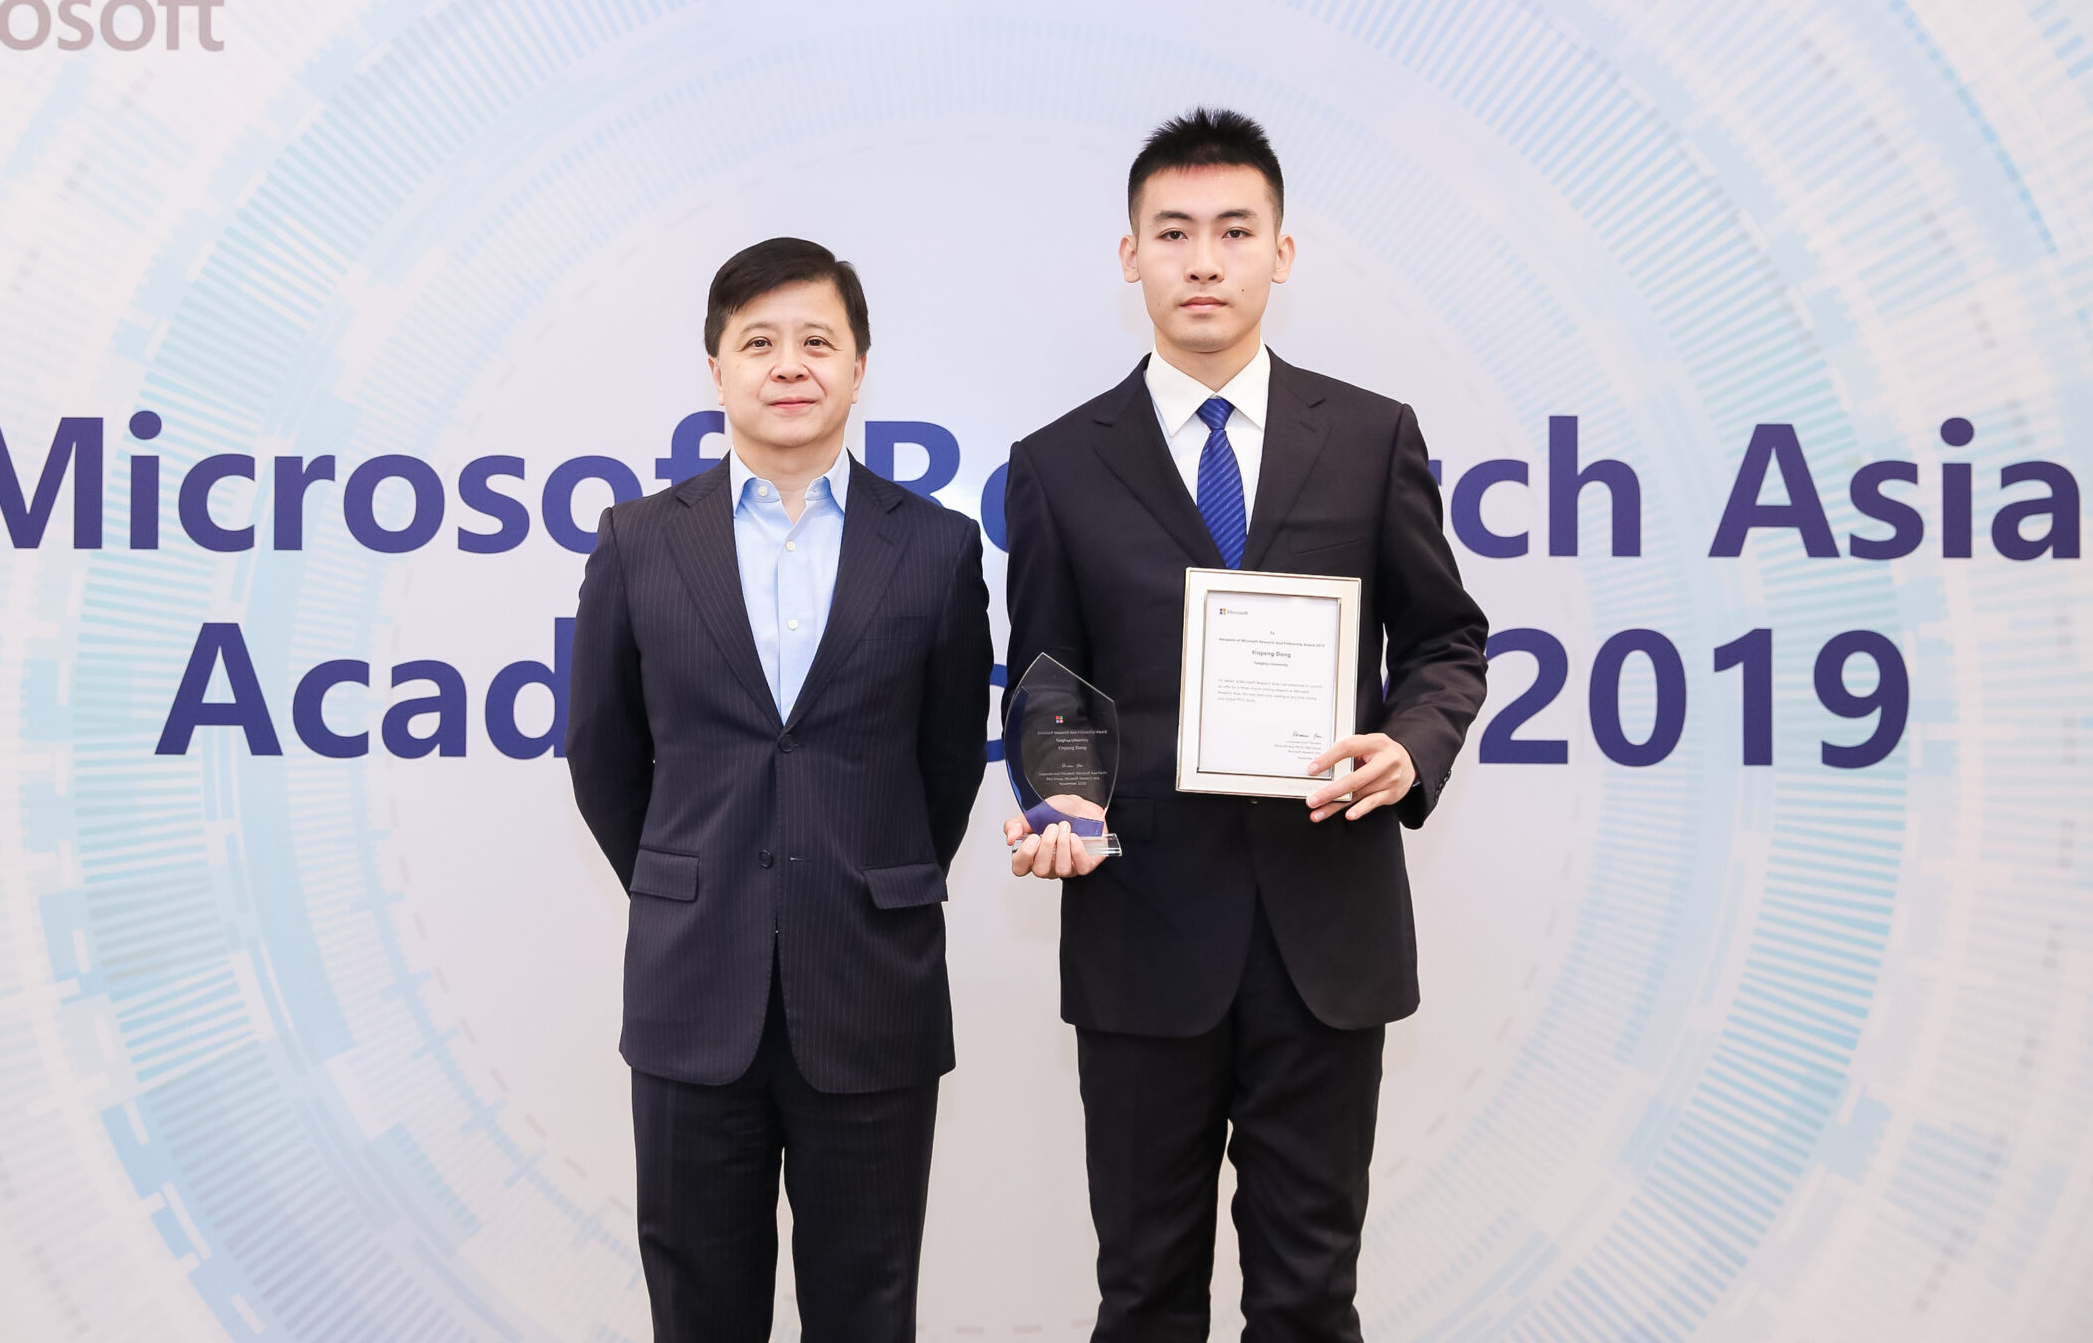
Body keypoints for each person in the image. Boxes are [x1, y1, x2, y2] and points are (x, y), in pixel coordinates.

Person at [1001, 109, 1490, 1340]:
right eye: (1173, 234)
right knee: (1145, 1294)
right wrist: (1062, 796)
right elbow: (1049, 682)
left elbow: (1444, 641)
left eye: (1234, 231)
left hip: (1324, 934)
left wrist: (1409, 745)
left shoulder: (1371, 437)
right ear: (1131, 258)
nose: (1204, 261)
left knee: (1309, 1296)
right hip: (1141, 932)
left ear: (1282, 252)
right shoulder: (1057, 464)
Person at [566, 236, 994, 1342]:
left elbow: (948, 764)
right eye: (758, 342)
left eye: (817, 341)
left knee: (868, 1311)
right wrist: (690, 878)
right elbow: (604, 757)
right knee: (698, 1313)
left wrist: (866, 872)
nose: (789, 365)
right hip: (692, 990)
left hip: (870, 986)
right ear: (716, 369)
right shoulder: (638, 542)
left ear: (859, 367)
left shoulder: (938, 548)